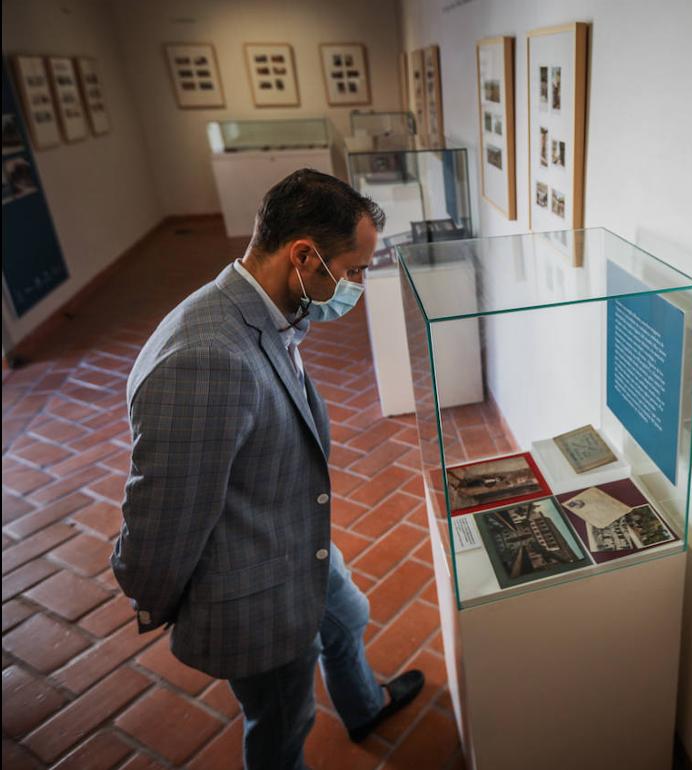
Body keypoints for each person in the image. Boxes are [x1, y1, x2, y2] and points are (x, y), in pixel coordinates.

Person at [111, 169, 422, 769]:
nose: (359, 283)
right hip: (252, 586)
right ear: (304, 255)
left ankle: (363, 705)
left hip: (292, 540)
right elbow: (162, 524)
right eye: (354, 269)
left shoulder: (259, 308)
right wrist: (152, 592)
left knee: (346, 616)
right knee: (282, 721)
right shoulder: (204, 358)